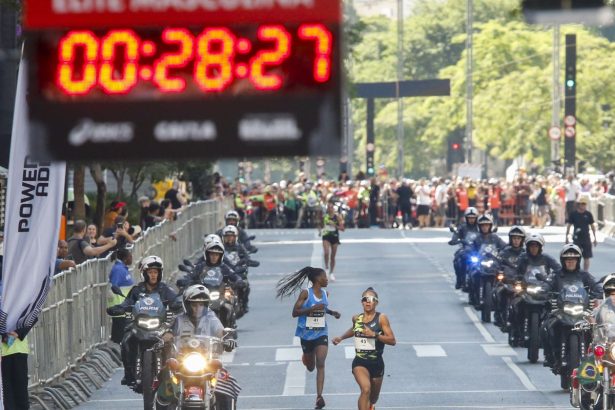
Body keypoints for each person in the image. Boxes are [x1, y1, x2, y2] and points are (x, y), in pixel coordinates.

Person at [156, 285, 239, 409]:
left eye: (201, 305)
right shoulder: (178, 319)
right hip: (181, 363)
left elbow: (220, 331)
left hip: (207, 362)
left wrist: (228, 339)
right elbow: (167, 331)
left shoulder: (211, 318)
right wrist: (165, 338)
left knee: (227, 383)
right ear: (186, 305)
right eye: (194, 305)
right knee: (163, 386)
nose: (197, 308)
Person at [107, 255, 178, 386]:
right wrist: (118, 309)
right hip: (138, 325)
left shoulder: (165, 289)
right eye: (150, 272)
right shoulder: (136, 290)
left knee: (172, 341)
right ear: (144, 273)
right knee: (126, 341)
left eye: (156, 272)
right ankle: (128, 373)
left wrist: (179, 305)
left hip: (160, 326)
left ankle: (172, 372)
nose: (153, 275)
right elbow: (127, 303)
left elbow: (177, 302)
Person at [276, 267, 341, 410]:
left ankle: (319, 397)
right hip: (306, 335)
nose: (327, 279)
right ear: (318, 279)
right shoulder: (305, 293)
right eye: (325, 277)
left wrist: (332, 312)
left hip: (321, 333)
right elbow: (295, 313)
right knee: (311, 367)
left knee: (321, 363)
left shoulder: (325, 293)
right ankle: (306, 357)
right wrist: (311, 309)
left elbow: (322, 308)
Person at [332, 287, 396, 410]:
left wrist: (375, 335)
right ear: (361, 301)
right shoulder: (356, 318)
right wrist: (341, 337)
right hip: (360, 362)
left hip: (377, 363)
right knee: (365, 389)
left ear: (376, 302)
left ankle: (371, 405)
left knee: (373, 397)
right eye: (365, 299)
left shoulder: (381, 318)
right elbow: (354, 329)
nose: (368, 301)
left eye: (371, 299)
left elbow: (392, 340)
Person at [541, 244, 601, 369]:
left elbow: (596, 285)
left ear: (578, 260)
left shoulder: (584, 275)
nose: (570, 262)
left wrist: (598, 292)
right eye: (568, 260)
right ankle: (549, 356)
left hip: (581, 312)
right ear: (563, 261)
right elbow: (547, 284)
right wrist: (544, 290)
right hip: (560, 311)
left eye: (573, 259)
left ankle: (594, 358)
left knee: (597, 329)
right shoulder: (556, 275)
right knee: (544, 327)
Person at [493, 226, 526, 329]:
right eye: (514, 238)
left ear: (522, 240)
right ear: (510, 239)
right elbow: (497, 263)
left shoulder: (526, 253)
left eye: (518, 238)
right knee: (496, 293)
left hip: (521, 284)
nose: (516, 241)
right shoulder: (505, 252)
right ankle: (498, 315)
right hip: (506, 282)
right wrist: (498, 270)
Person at [107, 248, 134, 344]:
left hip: (125, 307)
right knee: (119, 337)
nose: (132, 258)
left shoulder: (123, 269)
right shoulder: (118, 270)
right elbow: (113, 286)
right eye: (130, 256)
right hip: (119, 308)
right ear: (126, 258)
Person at [448, 207, 479, 289]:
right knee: (457, 260)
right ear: (466, 218)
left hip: (479, 249)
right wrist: (454, 240)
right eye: (470, 218)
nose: (471, 220)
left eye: (473, 218)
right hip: (466, 248)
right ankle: (459, 279)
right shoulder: (462, 227)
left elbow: (488, 235)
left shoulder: (481, 227)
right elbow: (456, 234)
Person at [566, 196, 597, 272]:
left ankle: (586, 272)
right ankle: (577, 271)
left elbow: (592, 226)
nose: (583, 205)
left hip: (586, 238)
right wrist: (566, 237)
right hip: (577, 238)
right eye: (582, 204)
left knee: (587, 257)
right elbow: (569, 226)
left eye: (584, 204)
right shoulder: (573, 214)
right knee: (576, 256)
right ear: (578, 204)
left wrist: (595, 238)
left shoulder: (588, 214)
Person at [2, 328, 31, 409]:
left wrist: (19, 333)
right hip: (8, 351)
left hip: (17, 350)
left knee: (17, 394)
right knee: (8, 394)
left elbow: (30, 319)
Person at [321, 201, 345, 281]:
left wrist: (334, 225)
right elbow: (320, 224)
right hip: (326, 236)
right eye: (328, 207)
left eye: (331, 207)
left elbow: (342, 229)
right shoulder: (324, 216)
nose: (330, 209)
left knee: (332, 256)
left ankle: (331, 273)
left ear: (333, 208)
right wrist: (320, 230)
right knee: (326, 253)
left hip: (334, 237)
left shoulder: (338, 217)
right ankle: (327, 268)